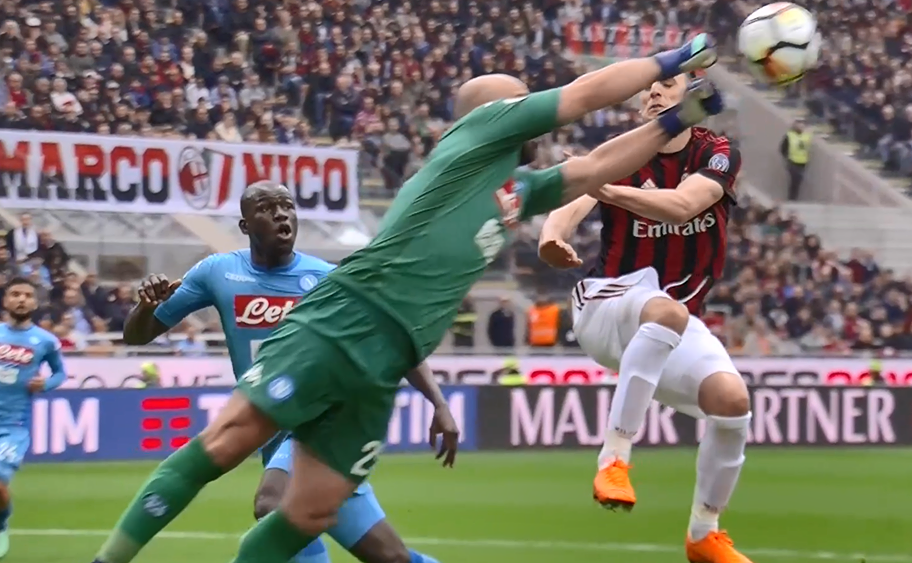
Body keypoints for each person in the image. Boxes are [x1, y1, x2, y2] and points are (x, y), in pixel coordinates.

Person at [90, 33, 723, 563]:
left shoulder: (513, 190)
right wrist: (673, 60)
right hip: (348, 317)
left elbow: (596, 167)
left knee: (311, 510)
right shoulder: (478, 132)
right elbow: (584, 96)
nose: (531, 104)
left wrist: (679, 119)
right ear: (496, 111)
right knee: (227, 443)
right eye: (520, 97)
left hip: (386, 357)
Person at [120, 180, 451, 563]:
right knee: (392, 557)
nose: (281, 214)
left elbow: (391, 337)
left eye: (288, 206)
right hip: (272, 428)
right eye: (266, 208)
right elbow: (136, 336)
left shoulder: (327, 279)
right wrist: (146, 307)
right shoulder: (218, 272)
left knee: (271, 502)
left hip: (320, 422)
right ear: (245, 225)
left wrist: (439, 402)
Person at [538, 71, 753, 563]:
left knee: (732, 401)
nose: (653, 90)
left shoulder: (717, 152)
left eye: (668, 84)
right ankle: (614, 461)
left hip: (669, 318)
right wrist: (552, 236)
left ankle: (703, 533)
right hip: (605, 303)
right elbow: (571, 205)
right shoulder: (622, 153)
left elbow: (683, 205)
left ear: (693, 97)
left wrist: (609, 191)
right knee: (666, 310)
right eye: (649, 86)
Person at [0, 277, 66, 557]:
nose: (21, 299)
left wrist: (46, 384)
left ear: (35, 303)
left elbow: (60, 373)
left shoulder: (46, 341)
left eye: (27, 295)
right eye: (15, 294)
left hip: (13, 426)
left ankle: (1, 525)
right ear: (6, 300)